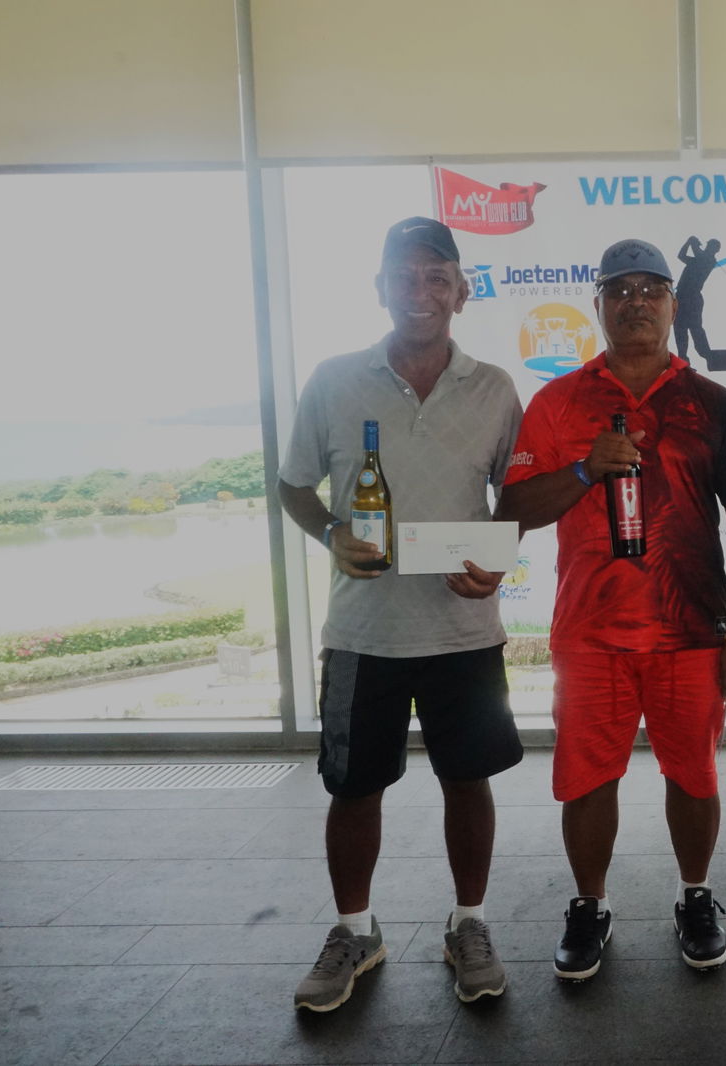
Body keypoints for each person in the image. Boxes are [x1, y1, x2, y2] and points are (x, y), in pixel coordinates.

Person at [498, 238, 726, 982]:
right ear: (598, 306)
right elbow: (516, 508)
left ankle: (695, 896)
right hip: (589, 635)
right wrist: (587, 467)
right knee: (587, 780)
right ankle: (590, 905)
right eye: (619, 291)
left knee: (694, 776)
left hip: (690, 633)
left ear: (672, 305)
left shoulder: (713, 403)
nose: (635, 303)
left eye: (651, 290)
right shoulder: (559, 402)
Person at [278, 216, 525, 1011]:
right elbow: (293, 486)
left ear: (460, 289)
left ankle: (470, 923)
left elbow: (511, 498)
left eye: (435, 277)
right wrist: (329, 533)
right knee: (353, 790)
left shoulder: (493, 388)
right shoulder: (332, 379)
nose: (420, 292)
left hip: (464, 632)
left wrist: (495, 555)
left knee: (469, 780)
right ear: (379, 288)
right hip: (362, 634)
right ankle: (356, 930)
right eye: (403, 277)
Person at [673, 236, 721, 366]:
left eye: (710, 246)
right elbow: (681, 255)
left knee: (695, 328)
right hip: (681, 297)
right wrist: (688, 242)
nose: (707, 248)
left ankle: (707, 355)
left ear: (714, 250)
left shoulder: (709, 260)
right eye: (707, 245)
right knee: (679, 328)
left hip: (693, 298)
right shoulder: (696, 260)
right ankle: (682, 357)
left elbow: (699, 254)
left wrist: (692, 242)